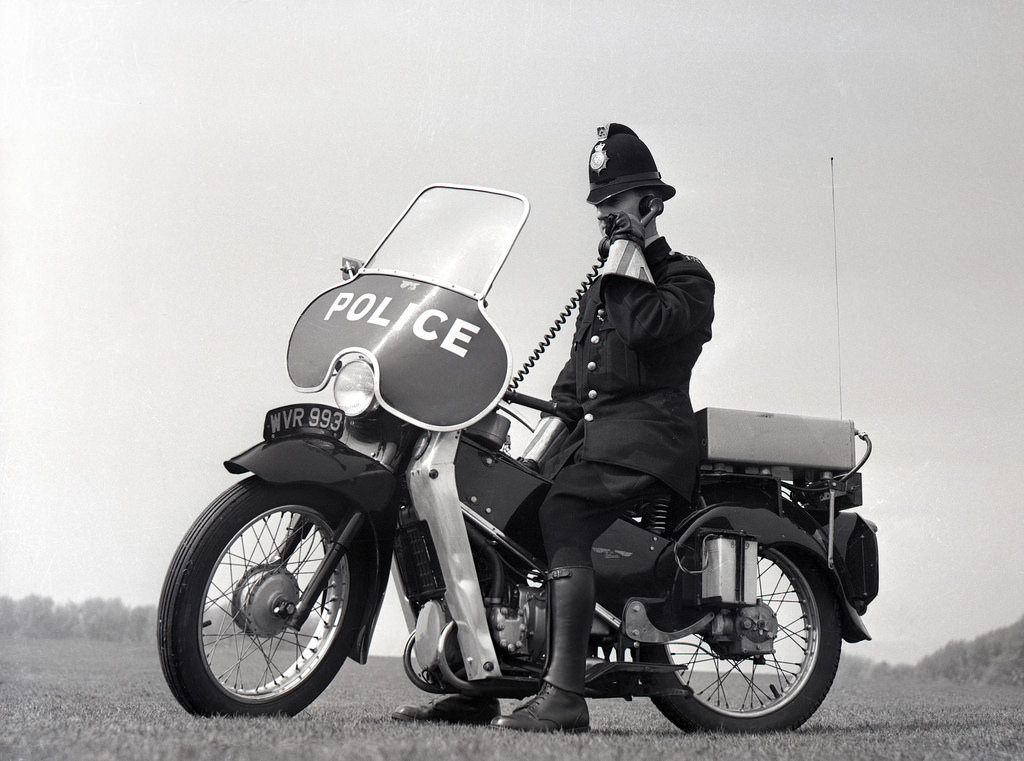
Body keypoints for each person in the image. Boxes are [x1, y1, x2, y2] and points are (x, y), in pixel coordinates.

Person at [393, 123, 715, 732]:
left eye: (615, 203)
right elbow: (577, 380)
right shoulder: (610, 284)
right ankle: (476, 683)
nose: (605, 217)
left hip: (647, 444)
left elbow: (646, 329)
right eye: (600, 208)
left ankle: (565, 697)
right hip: (592, 444)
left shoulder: (685, 278)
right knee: (496, 517)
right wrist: (513, 416)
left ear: (650, 203)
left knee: (563, 512)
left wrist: (627, 254)